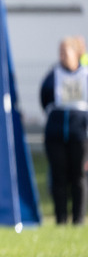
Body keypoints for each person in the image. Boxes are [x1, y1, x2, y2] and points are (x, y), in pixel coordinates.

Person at [40, 36, 88, 225]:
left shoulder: (85, 76)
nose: (62, 56)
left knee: (78, 177)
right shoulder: (53, 75)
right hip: (56, 134)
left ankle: (78, 219)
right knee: (58, 177)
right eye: (60, 53)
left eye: (65, 52)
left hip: (80, 135)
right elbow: (44, 97)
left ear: (76, 54)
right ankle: (61, 219)